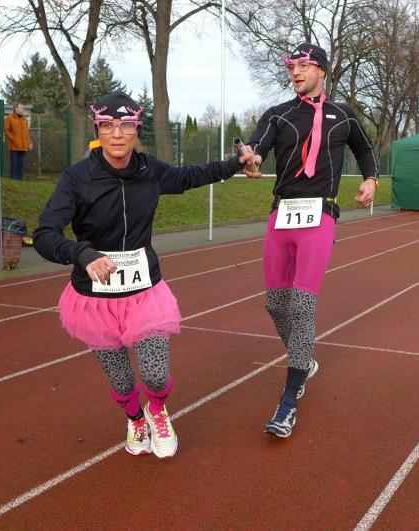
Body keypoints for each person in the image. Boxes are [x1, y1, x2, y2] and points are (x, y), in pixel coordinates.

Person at [33, 91, 256, 459]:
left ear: (137, 130)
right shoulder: (77, 178)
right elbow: (44, 234)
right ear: (97, 130)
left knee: (155, 374)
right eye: (108, 126)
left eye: (126, 126)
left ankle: (158, 411)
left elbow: (190, 176)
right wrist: (82, 254)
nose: (117, 134)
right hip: (95, 299)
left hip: (144, 293)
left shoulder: (148, 169)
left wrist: (235, 163)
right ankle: (135, 418)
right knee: (121, 381)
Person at [244, 43, 379, 438]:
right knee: (275, 303)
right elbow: (258, 147)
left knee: (302, 304)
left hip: (320, 215)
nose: (296, 72)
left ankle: (288, 401)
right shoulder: (278, 114)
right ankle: (303, 360)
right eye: (292, 66)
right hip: (282, 214)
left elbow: (365, 150)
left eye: (304, 65)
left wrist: (371, 179)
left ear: (321, 70)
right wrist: (252, 160)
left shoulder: (343, 115)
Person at [4, 103, 32, 180]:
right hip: (14, 146)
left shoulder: (24, 119)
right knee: (14, 163)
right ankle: (13, 179)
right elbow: (6, 131)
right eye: (21, 108)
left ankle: (20, 178)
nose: (23, 110)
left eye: (23, 108)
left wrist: (29, 143)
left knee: (21, 164)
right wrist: (14, 139)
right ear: (16, 109)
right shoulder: (9, 118)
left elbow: (26, 132)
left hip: (23, 146)